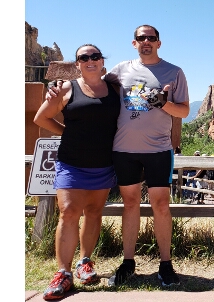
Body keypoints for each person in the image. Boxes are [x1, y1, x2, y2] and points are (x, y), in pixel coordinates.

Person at [50, 25, 190, 287]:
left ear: (159, 43)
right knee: (130, 204)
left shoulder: (174, 72)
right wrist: (58, 85)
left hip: (159, 149)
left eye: (151, 38)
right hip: (124, 149)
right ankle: (128, 262)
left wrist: (164, 103)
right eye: (141, 38)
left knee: (161, 205)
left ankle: (165, 264)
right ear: (134, 43)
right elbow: (91, 79)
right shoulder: (121, 70)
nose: (146, 41)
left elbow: (183, 111)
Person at [34, 44, 120, 300]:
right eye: (84, 57)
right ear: (77, 64)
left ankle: (85, 262)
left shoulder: (115, 88)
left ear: (102, 61)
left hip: (103, 163)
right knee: (69, 212)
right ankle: (63, 273)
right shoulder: (66, 89)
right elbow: (41, 118)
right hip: (71, 162)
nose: (90, 60)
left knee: (93, 212)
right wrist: (67, 132)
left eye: (95, 56)